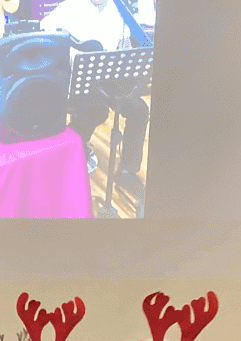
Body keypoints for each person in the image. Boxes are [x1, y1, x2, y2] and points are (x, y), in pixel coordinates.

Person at [41, 0, 155, 197]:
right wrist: (65, 45)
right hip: (79, 79)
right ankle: (69, 154)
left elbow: (125, 41)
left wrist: (127, 50)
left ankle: (127, 170)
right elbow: (44, 26)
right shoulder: (71, 6)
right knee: (97, 110)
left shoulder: (117, 9)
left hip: (109, 78)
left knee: (139, 110)